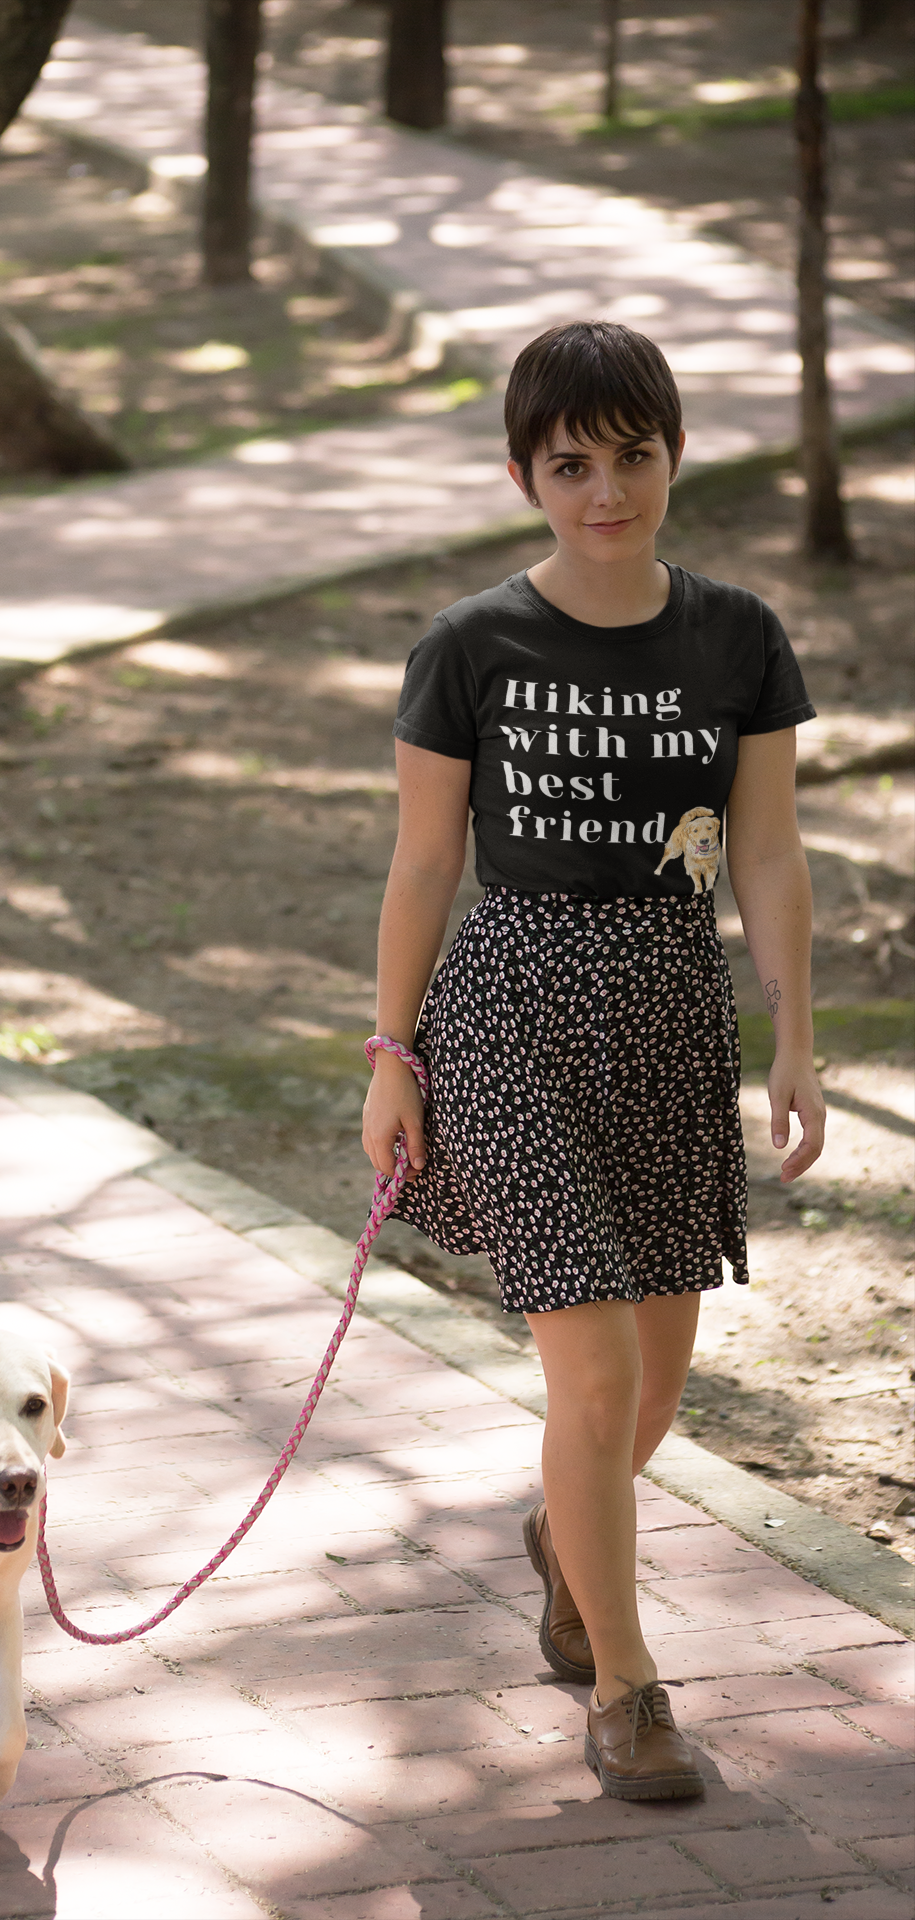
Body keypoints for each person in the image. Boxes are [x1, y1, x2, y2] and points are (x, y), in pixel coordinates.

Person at [362, 320, 825, 1801]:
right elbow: (424, 866)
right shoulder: (471, 644)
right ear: (525, 475)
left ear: (674, 453)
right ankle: (626, 1692)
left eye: (634, 454)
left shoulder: (738, 636)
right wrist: (392, 1054)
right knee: (599, 1373)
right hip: (508, 1018)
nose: (607, 488)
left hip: (673, 1019)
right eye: (573, 463)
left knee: (655, 1387)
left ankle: (571, 1546)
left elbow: (767, 845)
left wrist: (797, 1033)